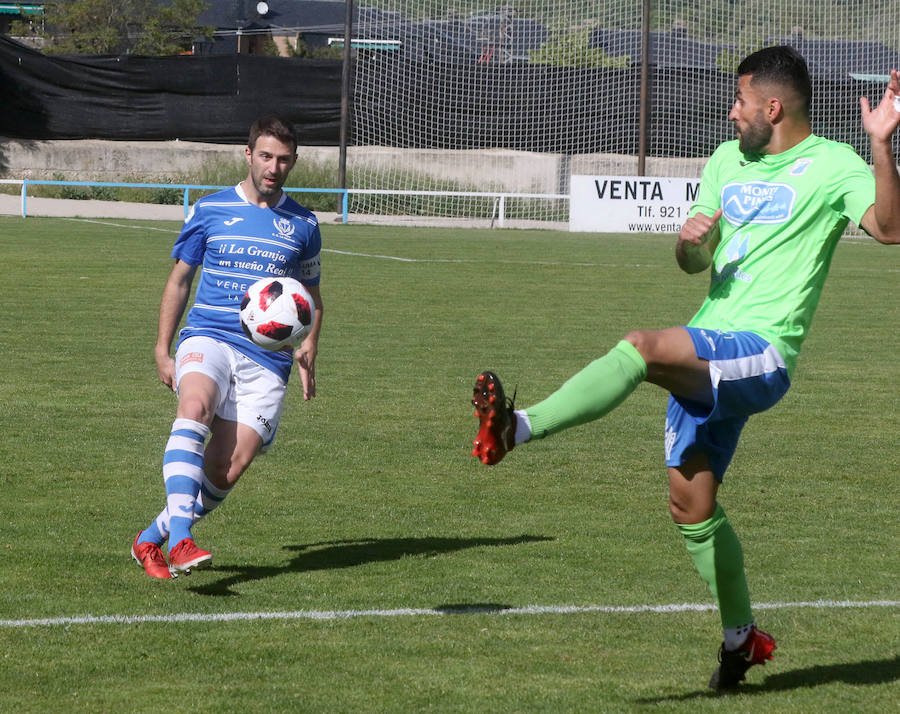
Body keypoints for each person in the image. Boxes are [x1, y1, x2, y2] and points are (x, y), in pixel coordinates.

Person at [471, 46, 900, 690]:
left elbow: (891, 228)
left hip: (761, 352)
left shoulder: (835, 164)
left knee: (642, 347)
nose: (732, 114)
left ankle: (517, 429)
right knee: (690, 508)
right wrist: (688, 244)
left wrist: (882, 146)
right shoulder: (727, 162)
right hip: (708, 343)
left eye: (742, 102)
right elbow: (694, 267)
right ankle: (740, 639)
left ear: (773, 107)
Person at [131, 115, 324, 579]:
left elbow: (310, 297)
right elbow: (180, 281)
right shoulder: (210, 209)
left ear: (293, 162)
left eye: (283, 159)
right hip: (208, 336)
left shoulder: (304, 224)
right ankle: (181, 540)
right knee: (194, 406)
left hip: (266, 358)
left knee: (225, 470)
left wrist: (309, 346)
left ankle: (149, 540)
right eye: (265, 156)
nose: (273, 167)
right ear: (248, 154)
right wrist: (163, 348)